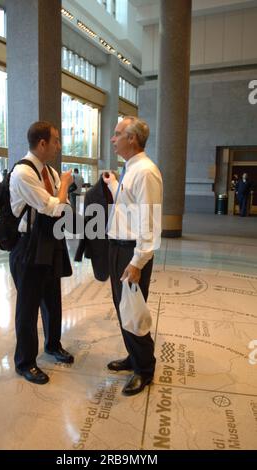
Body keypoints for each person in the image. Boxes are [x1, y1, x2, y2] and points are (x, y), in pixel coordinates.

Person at [9, 121, 74, 385]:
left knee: (52, 298)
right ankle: (25, 362)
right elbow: (53, 207)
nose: (59, 145)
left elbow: (63, 206)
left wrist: (61, 195)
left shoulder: (49, 171)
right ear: (42, 143)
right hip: (27, 245)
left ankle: (53, 344)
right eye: (56, 140)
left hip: (49, 241)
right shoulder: (23, 173)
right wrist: (64, 188)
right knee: (28, 306)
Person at [103, 116, 163, 396]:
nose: (112, 139)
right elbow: (128, 205)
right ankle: (133, 357)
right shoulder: (130, 170)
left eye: (117, 135)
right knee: (123, 307)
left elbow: (148, 221)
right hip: (119, 248)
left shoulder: (146, 172)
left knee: (133, 310)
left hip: (130, 252)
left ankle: (144, 370)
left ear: (132, 139)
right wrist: (114, 184)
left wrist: (138, 262)